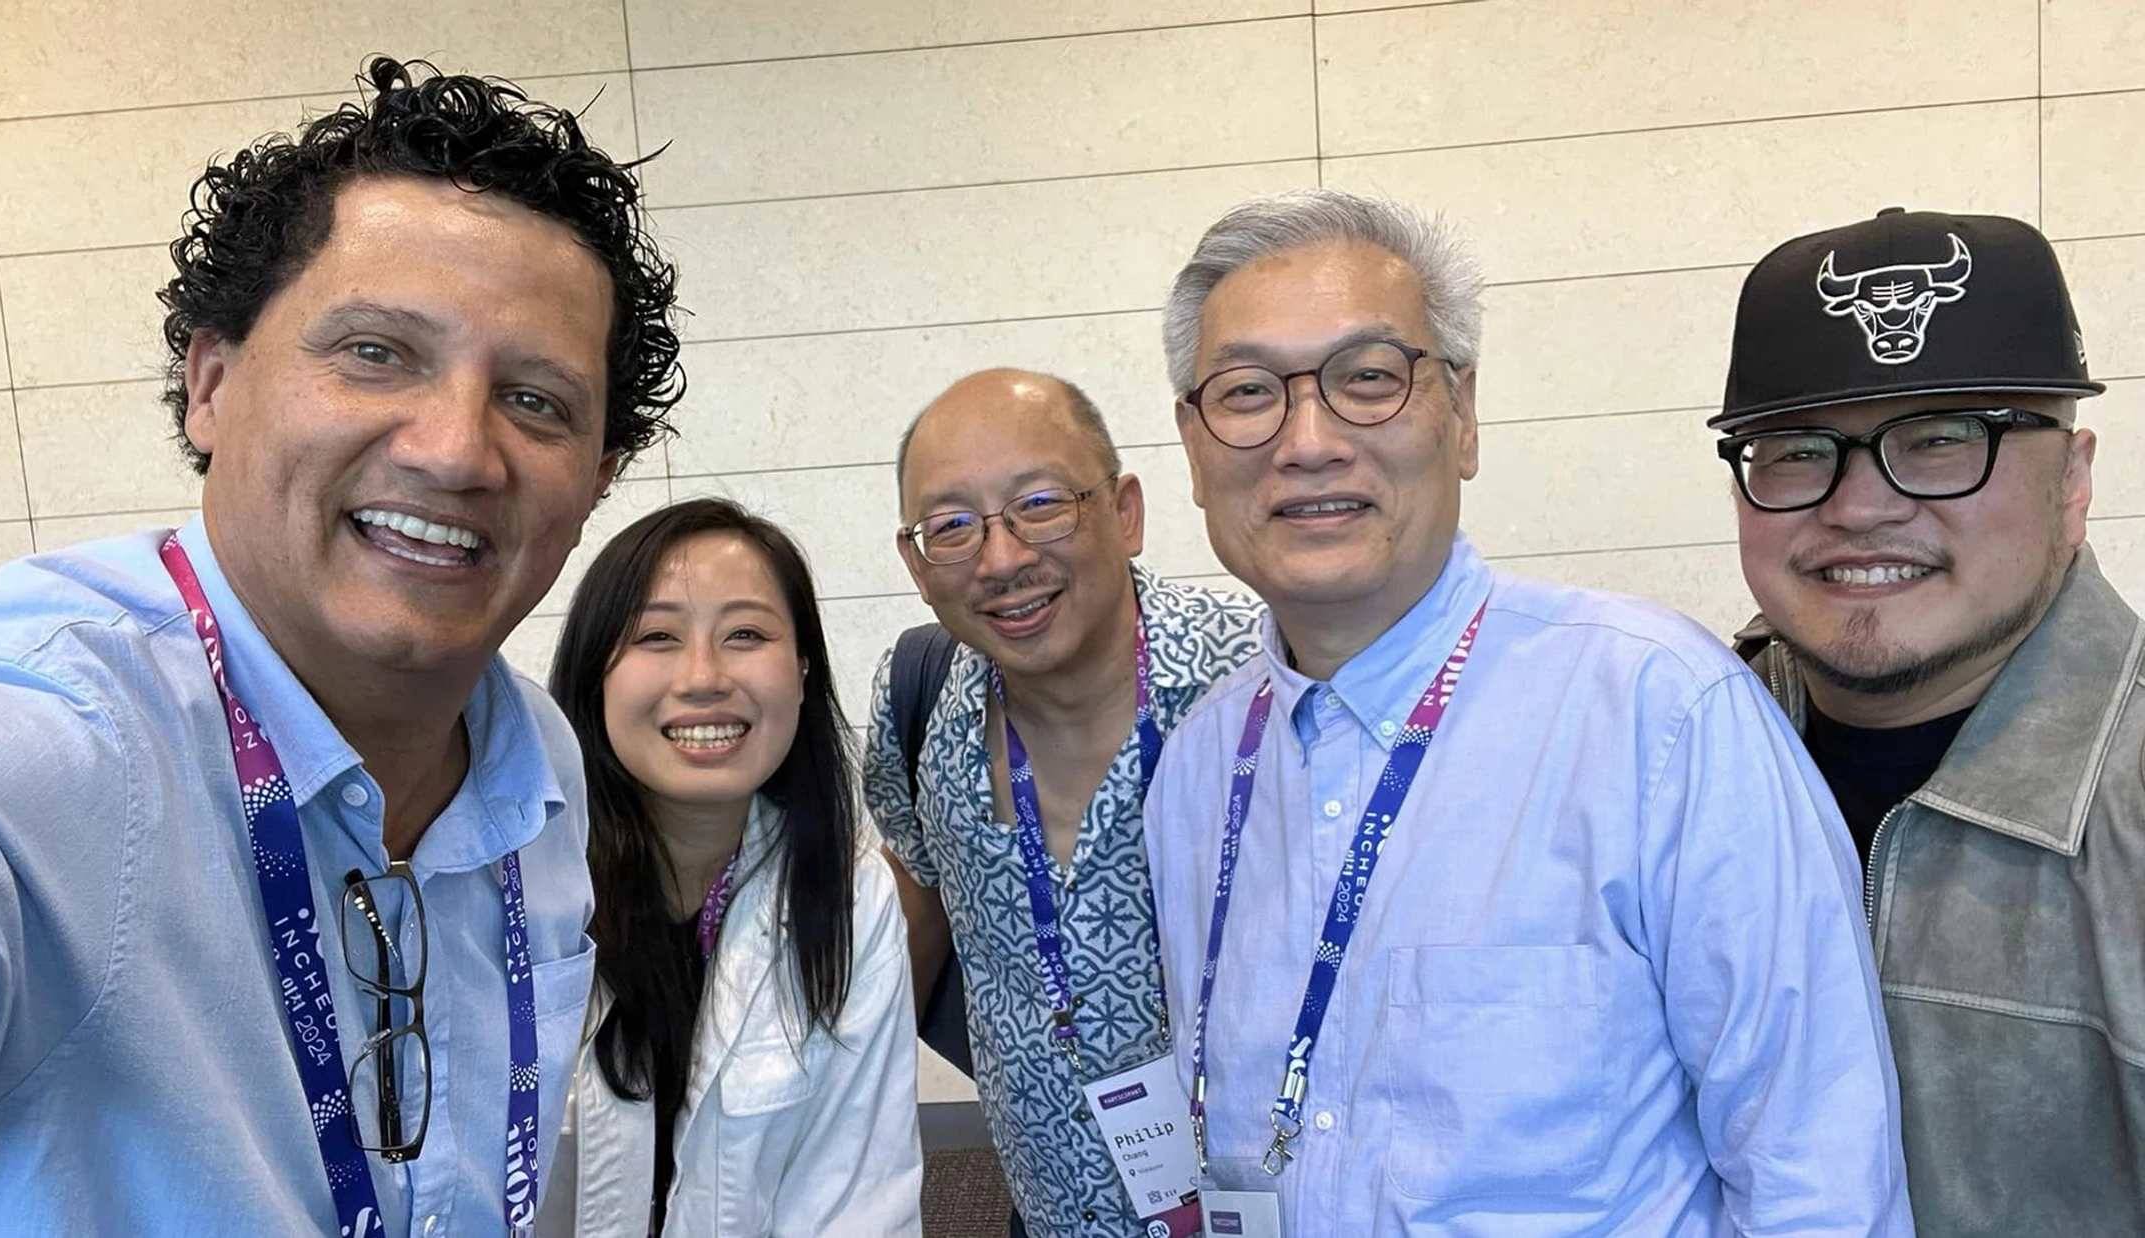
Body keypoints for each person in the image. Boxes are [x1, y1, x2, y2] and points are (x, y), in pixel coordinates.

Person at [0, 57, 681, 1235]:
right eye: (376, 351)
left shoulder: (533, 758)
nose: (456, 451)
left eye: (536, 399)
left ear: (593, 482)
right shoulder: (51, 733)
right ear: (213, 382)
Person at [1141, 188, 1913, 1235]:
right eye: (1244, 393)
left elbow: (1816, 1177)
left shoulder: (1657, 712)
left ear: (1460, 416)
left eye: (1368, 378)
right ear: (1192, 446)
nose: (1308, 439)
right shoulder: (1195, 770)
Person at [1714, 206, 2139, 1235]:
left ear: (2073, 481)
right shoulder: (1680, 754)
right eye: (1796, 448)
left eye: (1945, 438)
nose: (1858, 507)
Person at [863, 369, 1263, 1237]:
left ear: (1124, 512)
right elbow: (918, 897)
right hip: (1047, 1208)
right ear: (917, 562)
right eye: (954, 526)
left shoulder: (1259, 683)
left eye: (1041, 503)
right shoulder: (915, 698)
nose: (1003, 559)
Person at [537, 499, 923, 1236]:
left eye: (745, 634)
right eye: (657, 636)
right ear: (596, 677)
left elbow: (858, 1199)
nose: (704, 677)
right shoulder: (517, 886)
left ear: (802, 670)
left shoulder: (850, 894)